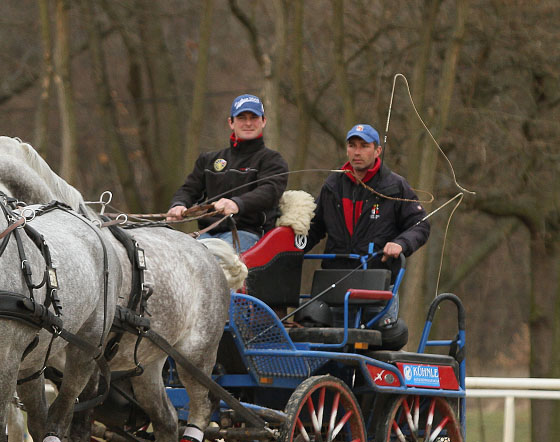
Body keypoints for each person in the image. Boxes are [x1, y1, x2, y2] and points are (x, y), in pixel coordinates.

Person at [304, 123, 430, 327]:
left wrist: (401, 244)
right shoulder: (332, 185)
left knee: (370, 352)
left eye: (364, 146)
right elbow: (314, 227)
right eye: (352, 146)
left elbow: (421, 225)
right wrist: (290, 249)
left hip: (377, 286)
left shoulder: (395, 186)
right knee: (328, 350)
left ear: (377, 150)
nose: (357, 152)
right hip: (334, 286)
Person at [166, 94, 288, 252]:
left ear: (263, 121)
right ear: (231, 122)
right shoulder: (209, 160)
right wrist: (179, 205)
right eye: (242, 118)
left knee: (213, 259)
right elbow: (189, 189)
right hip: (207, 234)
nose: (248, 123)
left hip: (251, 235)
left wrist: (238, 203)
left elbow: (269, 191)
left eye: (254, 117)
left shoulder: (272, 160)